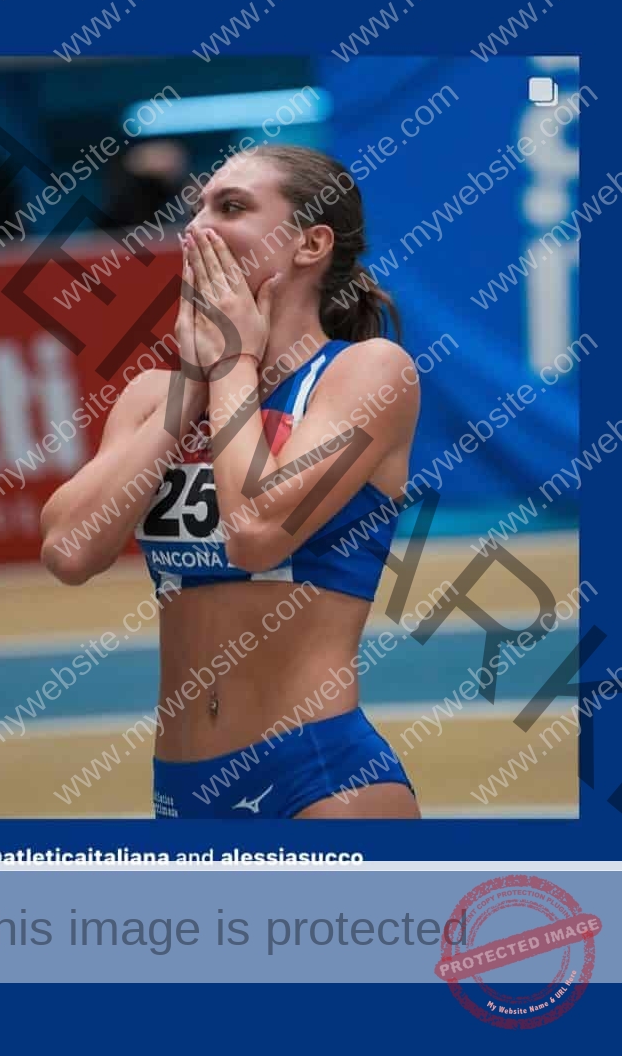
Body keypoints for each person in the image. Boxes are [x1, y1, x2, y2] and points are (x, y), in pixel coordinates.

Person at [41, 144, 420, 819]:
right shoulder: (156, 392)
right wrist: (193, 381)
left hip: (320, 780)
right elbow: (70, 552)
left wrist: (235, 362)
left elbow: (254, 534)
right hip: (180, 792)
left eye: (233, 207)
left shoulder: (368, 374)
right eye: (197, 209)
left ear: (311, 242)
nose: (196, 229)